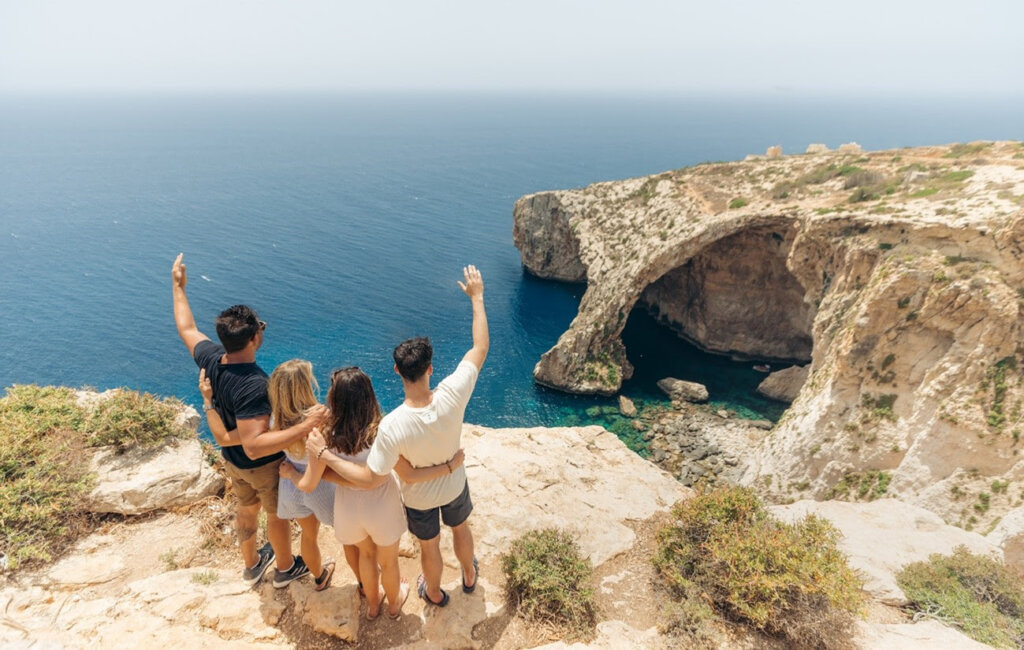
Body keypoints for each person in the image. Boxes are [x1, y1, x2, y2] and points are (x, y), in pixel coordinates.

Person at [308, 265, 487, 608]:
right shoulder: (454, 392)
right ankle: (468, 575)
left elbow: (370, 477)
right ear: (431, 368)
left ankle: (433, 593)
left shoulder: (391, 425)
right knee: (461, 529)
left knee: (429, 546)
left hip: (418, 498)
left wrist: (326, 457)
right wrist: (477, 298)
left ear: (396, 372)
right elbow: (480, 346)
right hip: (455, 485)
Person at [172, 253, 326, 587]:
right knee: (276, 514)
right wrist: (305, 426)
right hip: (262, 465)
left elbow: (186, 328)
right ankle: (285, 568)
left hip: (233, 461)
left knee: (246, 509)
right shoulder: (255, 384)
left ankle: (252, 564)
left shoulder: (212, 358)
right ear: (255, 338)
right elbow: (255, 445)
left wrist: (178, 287)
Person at [295, 367, 465, 619]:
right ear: (369, 396)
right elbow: (407, 473)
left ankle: (374, 606)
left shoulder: (324, 436)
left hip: (349, 508)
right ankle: (395, 605)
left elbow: (311, 481)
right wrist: (449, 466)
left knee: (365, 555)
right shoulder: (381, 430)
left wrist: (294, 475)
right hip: (382, 506)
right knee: (389, 562)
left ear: (335, 398)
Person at [201, 359, 345, 591]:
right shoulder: (321, 416)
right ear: (306, 386)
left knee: (308, 536)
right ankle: (340, 576)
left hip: (290, 486)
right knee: (334, 532)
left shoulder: (271, 422)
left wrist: (208, 401)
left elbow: (226, 438)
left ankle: (318, 576)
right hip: (317, 484)